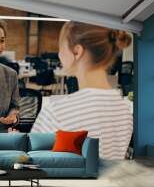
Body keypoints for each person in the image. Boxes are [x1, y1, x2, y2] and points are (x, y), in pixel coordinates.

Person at [31, 21, 133, 160]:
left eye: (61, 47)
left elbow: (32, 162)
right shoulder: (125, 110)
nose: (59, 55)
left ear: (77, 51)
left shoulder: (58, 111)